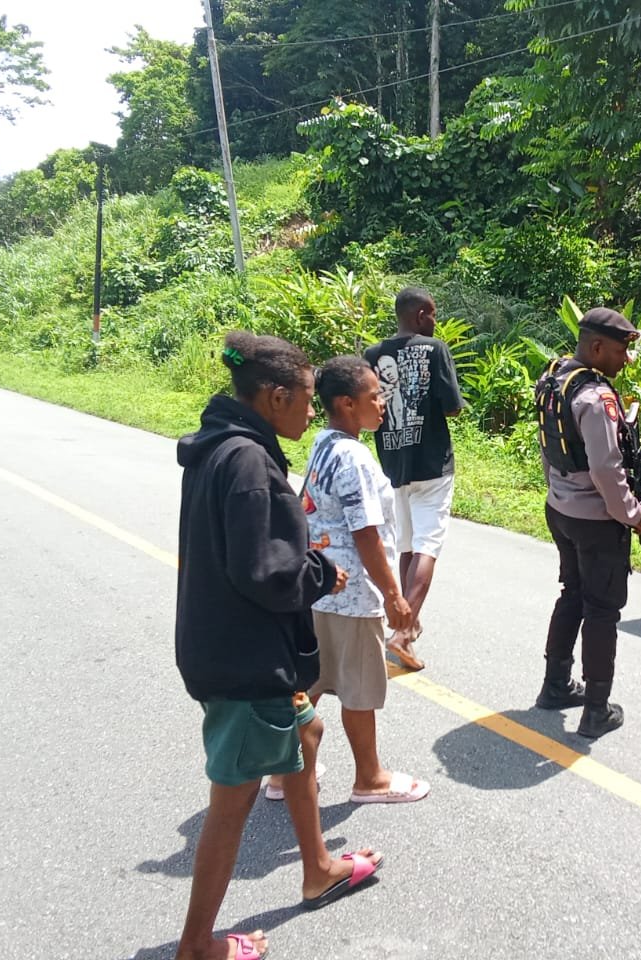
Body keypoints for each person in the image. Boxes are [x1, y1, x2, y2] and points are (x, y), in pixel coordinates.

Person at [173, 332, 383, 960]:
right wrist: (322, 572)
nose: (313, 411)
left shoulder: (225, 446)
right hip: (244, 659)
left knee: (307, 730)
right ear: (276, 396)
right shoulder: (248, 464)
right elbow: (266, 572)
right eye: (308, 399)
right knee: (232, 802)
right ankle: (195, 946)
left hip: (242, 644)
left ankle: (317, 867)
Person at [303, 355, 432, 804]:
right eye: (374, 396)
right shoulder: (354, 457)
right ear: (346, 403)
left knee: (311, 682)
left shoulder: (323, 443)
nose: (382, 404)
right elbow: (366, 534)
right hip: (353, 594)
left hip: (319, 585)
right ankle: (370, 778)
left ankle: (286, 772)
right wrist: (394, 595)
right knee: (358, 689)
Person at [534, 307, 641, 739]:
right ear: (597, 347)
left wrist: (559, 491)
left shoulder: (554, 379)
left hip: (560, 509)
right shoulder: (596, 398)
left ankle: (556, 686)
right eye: (621, 351)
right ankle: (596, 710)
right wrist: (634, 515)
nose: (626, 360)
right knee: (602, 611)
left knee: (573, 593)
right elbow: (606, 470)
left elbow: (547, 448)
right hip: (597, 522)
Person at [364, 286, 466, 671]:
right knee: (427, 546)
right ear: (421, 315)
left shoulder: (372, 355)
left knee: (407, 545)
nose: (435, 321)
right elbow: (452, 407)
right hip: (432, 465)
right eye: (433, 314)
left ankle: (407, 620)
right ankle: (403, 633)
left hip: (393, 464)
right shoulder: (435, 349)